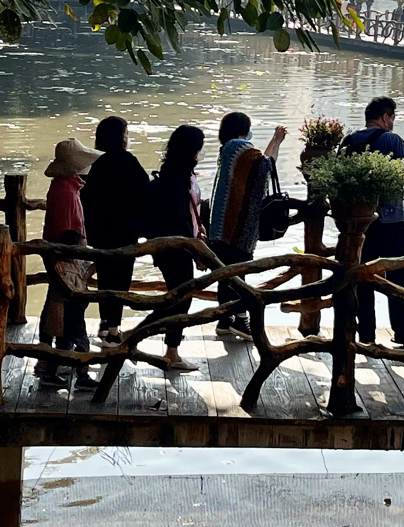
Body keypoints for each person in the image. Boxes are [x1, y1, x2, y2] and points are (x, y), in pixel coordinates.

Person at [342, 96, 404, 345]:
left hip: (360, 223)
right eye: (392, 117)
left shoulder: (349, 140)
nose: (392, 122)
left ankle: (366, 335)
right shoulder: (392, 140)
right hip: (390, 222)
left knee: (363, 277)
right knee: (397, 277)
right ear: (385, 117)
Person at [208, 111, 287, 335]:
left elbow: (261, 163)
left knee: (226, 273)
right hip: (236, 224)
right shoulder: (240, 147)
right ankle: (240, 319)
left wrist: (274, 140)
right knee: (237, 273)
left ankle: (225, 320)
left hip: (223, 223)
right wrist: (277, 142)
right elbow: (266, 167)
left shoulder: (229, 149)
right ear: (243, 129)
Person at [81, 114, 156, 343]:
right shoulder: (127, 161)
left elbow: (84, 194)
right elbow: (145, 192)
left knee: (104, 277)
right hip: (124, 230)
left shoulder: (94, 161)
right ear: (121, 137)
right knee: (121, 281)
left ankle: (105, 324)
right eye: (126, 134)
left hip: (98, 231)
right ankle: (114, 331)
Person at [139, 125, 206, 372]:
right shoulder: (176, 180)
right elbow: (179, 219)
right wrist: (195, 248)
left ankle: (166, 348)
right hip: (175, 249)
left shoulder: (174, 173)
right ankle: (152, 343)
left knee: (177, 299)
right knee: (180, 300)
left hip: (174, 246)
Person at [35, 137, 97, 388]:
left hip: (64, 261)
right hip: (68, 263)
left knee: (57, 314)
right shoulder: (65, 192)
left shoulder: (64, 187)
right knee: (71, 315)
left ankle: (52, 365)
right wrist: (78, 249)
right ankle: (77, 370)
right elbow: (65, 235)